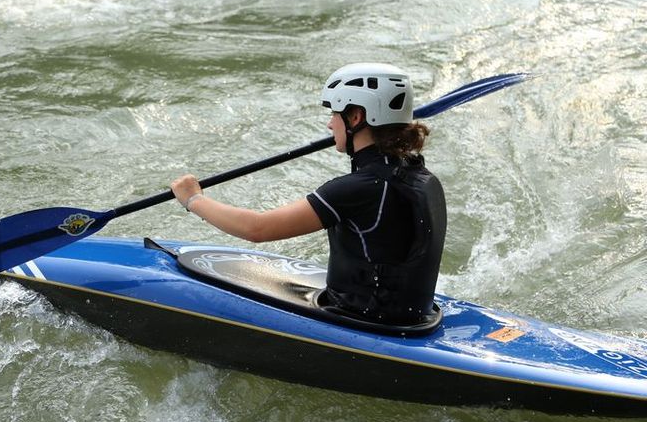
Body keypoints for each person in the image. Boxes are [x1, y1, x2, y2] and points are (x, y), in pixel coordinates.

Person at [170, 63, 446, 325]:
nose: (330, 125)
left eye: (334, 114)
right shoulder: (418, 174)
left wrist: (193, 199)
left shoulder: (359, 188)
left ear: (356, 117)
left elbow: (258, 228)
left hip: (364, 320)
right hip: (409, 315)